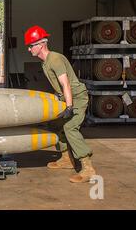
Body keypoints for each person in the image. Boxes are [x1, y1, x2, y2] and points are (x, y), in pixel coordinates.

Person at [24, 25, 96, 183]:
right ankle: (66, 159)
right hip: (67, 98)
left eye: (31, 46)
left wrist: (69, 107)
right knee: (56, 124)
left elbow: (66, 85)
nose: (29, 50)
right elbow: (60, 88)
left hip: (77, 98)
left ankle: (88, 168)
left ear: (41, 44)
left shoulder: (55, 59)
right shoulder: (45, 62)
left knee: (70, 128)